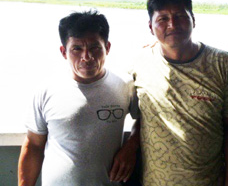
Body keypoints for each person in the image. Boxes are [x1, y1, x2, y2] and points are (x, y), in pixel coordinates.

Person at [130, 0, 228, 185]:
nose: (172, 24)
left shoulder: (223, 63)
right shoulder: (140, 63)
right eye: (162, 19)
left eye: (180, 16)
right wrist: (130, 144)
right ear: (150, 26)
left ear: (193, 20)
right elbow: (138, 115)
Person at [18, 10, 140, 186]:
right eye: (77, 48)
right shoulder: (47, 90)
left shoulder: (125, 85)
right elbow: (34, 145)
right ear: (63, 52)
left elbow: (145, 119)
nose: (87, 57)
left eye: (94, 48)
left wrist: (131, 146)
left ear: (107, 48)